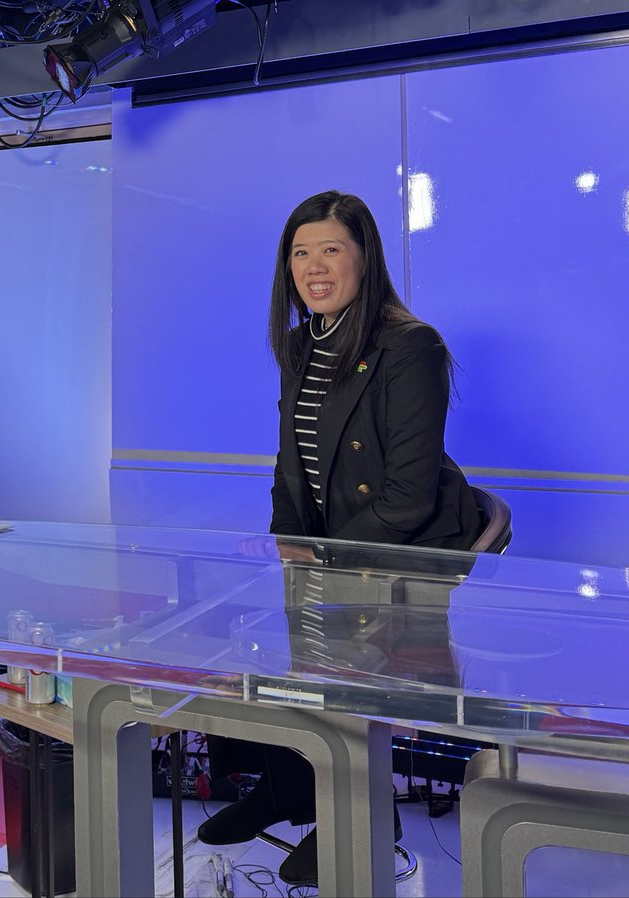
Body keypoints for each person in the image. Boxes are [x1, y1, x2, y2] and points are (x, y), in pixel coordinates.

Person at [196, 190, 482, 884]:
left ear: (365, 258)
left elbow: (408, 497)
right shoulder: (301, 345)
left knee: (348, 677)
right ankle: (289, 787)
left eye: (331, 249)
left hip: (396, 557)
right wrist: (284, 550)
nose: (314, 267)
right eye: (300, 253)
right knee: (260, 644)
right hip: (328, 549)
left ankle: (366, 814)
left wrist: (320, 561)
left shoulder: (410, 347)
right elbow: (290, 466)